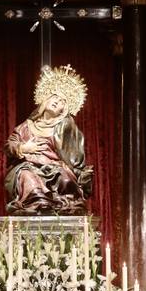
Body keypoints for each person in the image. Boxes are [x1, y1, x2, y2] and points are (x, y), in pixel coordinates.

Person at [5, 64, 93, 214]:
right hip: (29, 167)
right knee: (28, 179)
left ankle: (57, 206)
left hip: (55, 169)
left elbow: (75, 157)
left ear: (63, 110)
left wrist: (78, 172)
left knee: (65, 179)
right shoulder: (27, 126)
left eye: (62, 102)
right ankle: (39, 205)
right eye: (55, 97)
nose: (57, 102)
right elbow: (9, 145)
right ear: (45, 100)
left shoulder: (66, 127)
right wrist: (23, 148)